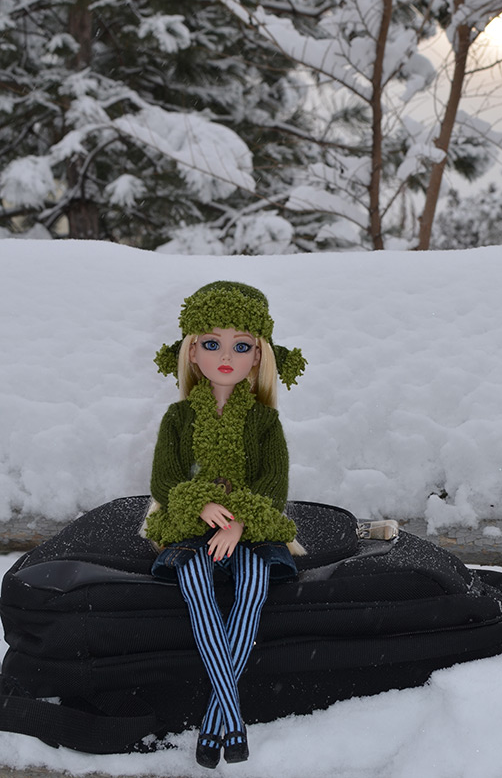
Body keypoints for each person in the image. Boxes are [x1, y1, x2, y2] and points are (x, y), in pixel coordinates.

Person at [144, 280, 306, 768]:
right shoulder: (178, 418)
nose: (226, 357)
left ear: (259, 357)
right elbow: (165, 477)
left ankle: (219, 718)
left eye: (242, 346)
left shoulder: (264, 422)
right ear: (192, 353)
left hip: (252, 529)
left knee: (253, 588)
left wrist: (239, 522)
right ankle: (230, 718)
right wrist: (198, 504)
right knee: (196, 586)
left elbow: (273, 484)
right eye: (212, 344)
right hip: (188, 528)